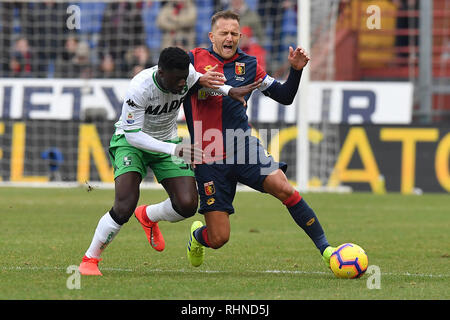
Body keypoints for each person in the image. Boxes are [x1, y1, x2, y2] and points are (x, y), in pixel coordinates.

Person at [78, 47, 262, 276]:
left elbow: (200, 80)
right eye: (177, 80)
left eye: (185, 79)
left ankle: (148, 216)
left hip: (166, 143)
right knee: (125, 205)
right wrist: (175, 149)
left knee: (187, 205)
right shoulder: (139, 88)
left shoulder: (186, 75)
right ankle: (90, 259)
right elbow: (133, 134)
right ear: (161, 73)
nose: (182, 85)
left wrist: (229, 91)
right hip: (132, 143)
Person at [182, 10, 335, 269]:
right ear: (212, 36)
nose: (229, 38)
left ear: (240, 36)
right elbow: (174, 83)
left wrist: (295, 71)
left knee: (283, 186)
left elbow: (284, 96)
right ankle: (198, 237)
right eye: (224, 33)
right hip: (208, 156)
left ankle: (328, 251)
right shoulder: (193, 60)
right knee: (219, 238)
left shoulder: (250, 65)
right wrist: (198, 82)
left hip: (243, 147)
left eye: (234, 33)